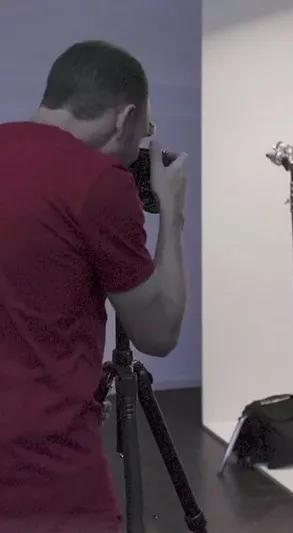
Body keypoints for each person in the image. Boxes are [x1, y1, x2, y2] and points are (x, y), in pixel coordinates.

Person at [0, 40, 189, 532]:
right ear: (124, 118)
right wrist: (173, 213)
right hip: (43, 471)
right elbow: (159, 333)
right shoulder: (98, 181)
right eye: (146, 131)